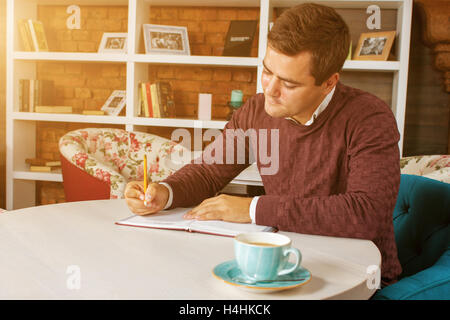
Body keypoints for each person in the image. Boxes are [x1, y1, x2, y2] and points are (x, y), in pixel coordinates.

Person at [124, 3, 402, 285]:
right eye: (267, 71)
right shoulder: (256, 112)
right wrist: (165, 192)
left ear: (329, 83)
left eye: (289, 84)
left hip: (355, 277)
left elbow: (367, 213)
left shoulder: (369, 118)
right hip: (281, 267)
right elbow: (209, 172)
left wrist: (252, 210)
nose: (269, 90)